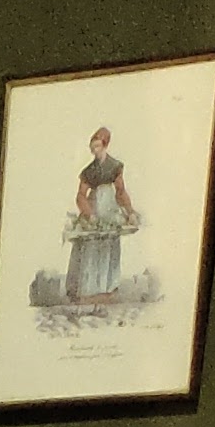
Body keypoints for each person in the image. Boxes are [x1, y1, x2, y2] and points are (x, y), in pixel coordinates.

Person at [66, 125, 140, 304]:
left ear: (105, 145)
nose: (95, 151)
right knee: (91, 249)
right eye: (92, 147)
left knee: (108, 248)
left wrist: (130, 212)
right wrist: (89, 214)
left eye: (98, 146)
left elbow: (120, 191)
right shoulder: (89, 171)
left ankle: (108, 291)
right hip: (93, 209)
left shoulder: (114, 166)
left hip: (110, 211)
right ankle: (87, 292)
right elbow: (80, 196)